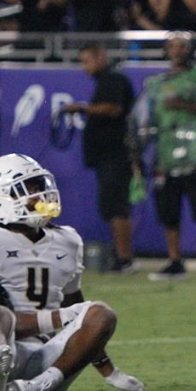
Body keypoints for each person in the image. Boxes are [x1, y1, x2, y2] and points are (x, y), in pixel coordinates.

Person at [0, 153, 144, 391]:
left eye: (39, 186)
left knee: (101, 313)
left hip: (48, 356)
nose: (40, 195)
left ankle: (42, 385)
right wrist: (62, 316)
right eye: (27, 188)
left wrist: (108, 370)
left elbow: (83, 322)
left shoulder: (67, 240)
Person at [137, 33, 196, 283]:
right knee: (169, 210)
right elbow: (145, 119)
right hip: (166, 151)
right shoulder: (156, 82)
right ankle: (175, 261)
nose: (177, 51)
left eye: (181, 46)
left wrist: (185, 105)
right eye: (172, 46)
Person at [62, 43, 136, 273]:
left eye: (87, 61)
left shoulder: (113, 79)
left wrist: (82, 109)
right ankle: (120, 255)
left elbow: (113, 109)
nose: (85, 67)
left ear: (100, 56)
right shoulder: (106, 81)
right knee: (112, 206)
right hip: (107, 156)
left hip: (115, 155)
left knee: (116, 206)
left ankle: (124, 259)